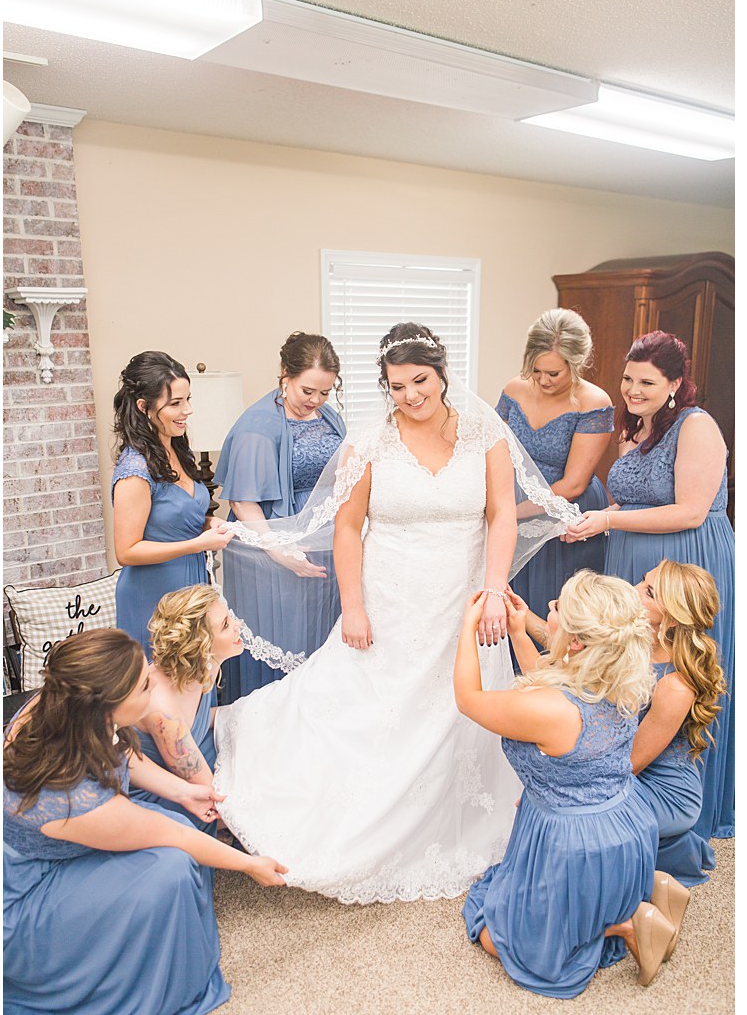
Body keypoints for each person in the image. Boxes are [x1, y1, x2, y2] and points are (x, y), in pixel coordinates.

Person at [214, 324, 573, 904]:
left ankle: (451, 821)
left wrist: (493, 588)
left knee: (464, 707)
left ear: (442, 374)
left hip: (465, 596)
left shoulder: (485, 432)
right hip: (392, 598)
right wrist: (352, 606)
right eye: (396, 385)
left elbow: (502, 514)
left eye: (420, 381)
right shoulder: (368, 444)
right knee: (374, 708)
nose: (410, 395)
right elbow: (349, 529)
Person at [3, 629, 286, 1015]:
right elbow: (169, 836)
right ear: (108, 703)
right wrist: (251, 864)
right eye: (144, 685)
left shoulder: (66, 707)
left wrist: (182, 791)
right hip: (26, 902)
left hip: (51, 847)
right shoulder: (71, 799)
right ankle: (144, 982)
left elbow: (123, 755)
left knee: (178, 819)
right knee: (170, 866)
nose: (155, 682)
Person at [458, 571, 672, 995]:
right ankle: (655, 891)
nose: (550, 609)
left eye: (557, 608)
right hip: (626, 825)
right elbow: (553, 686)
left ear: (575, 643)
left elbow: (469, 700)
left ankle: (627, 924)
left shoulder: (552, 710)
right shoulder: (621, 673)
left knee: (496, 938)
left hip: (577, 847)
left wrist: (465, 629)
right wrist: (520, 633)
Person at [566, 331, 733, 841]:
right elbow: (637, 499)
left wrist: (609, 522)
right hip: (632, 563)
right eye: (627, 379)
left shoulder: (696, 426)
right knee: (634, 668)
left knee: (683, 670)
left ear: (675, 384)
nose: (632, 390)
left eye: (646, 382)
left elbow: (689, 511)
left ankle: (696, 802)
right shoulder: (633, 426)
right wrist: (598, 517)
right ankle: (626, 773)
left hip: (683, 560)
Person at [215, 332, 345, 700]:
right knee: (278, 638)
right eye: (307, 391)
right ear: (285, 374)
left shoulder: (328, 416)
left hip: (319, 545)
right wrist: (280, 552)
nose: (316, 401)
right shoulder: (258, 427)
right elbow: (243, 503)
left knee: (317, 638)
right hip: (270, 552)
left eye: (325, 392)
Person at [109, 350, 234, 654]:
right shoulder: (134, 471)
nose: (187, 410)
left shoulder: (179, 450)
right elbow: (126, 551)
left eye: (188, 399)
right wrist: (198, 543)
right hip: (154, 595)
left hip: (192, 584)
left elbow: (175, 517)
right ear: (144, 407)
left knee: (199, 680)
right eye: (176, 403)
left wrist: (207, 523)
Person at [495, 308, 615, 614]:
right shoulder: (514, 389)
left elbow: (574, 484)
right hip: (513, 501)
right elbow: (493, 451)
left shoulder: (594, 402)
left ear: (576, 365)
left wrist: (512, 512)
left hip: (563, 511)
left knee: (550, 603)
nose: (543, 381)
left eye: (554, 374)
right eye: (536, 371)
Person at [631, 560, 726, 887]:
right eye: (642, 581)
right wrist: (522, 620)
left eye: (648, 592)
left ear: (670, 618)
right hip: (631, 771)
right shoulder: (636, 642)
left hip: (665, 792)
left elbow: (630, 763)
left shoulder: (674, 686)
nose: (633, 591)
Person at [131, 583, 244, 828]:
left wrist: (248, 708)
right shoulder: (163, 711)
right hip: (162, 796)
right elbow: (211, 797)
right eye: (225, 625)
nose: (238, 626)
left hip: (187, 767)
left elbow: (197, 719)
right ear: (200, 647)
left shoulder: (203, 669)